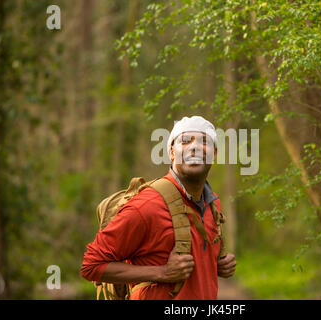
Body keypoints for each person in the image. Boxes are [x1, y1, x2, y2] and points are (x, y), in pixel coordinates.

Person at [81, 116, 236, 299]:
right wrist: (162, 273)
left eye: (204, 142)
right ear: (172, 152)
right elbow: (91, 266)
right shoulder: (147, 205)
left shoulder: (213, 205)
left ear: (214, 154)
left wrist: (217, 264)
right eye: (185, 141)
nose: (194, 147)